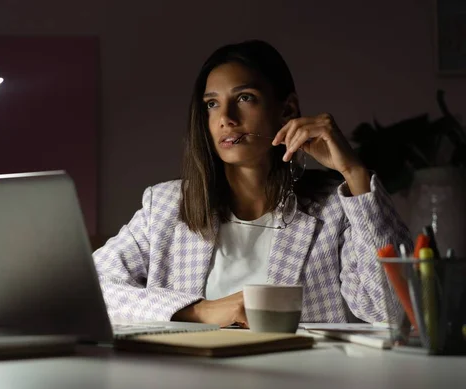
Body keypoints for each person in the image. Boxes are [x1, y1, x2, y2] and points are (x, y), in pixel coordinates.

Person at [93, 40, 411, 327]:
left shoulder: (335, 208)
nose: (226, 118)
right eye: (212, 103)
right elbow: (90, 287)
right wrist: (200, 310)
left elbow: (392, 311)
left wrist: (353, 171)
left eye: (245, 97)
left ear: (286, 110)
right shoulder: (165, 206)